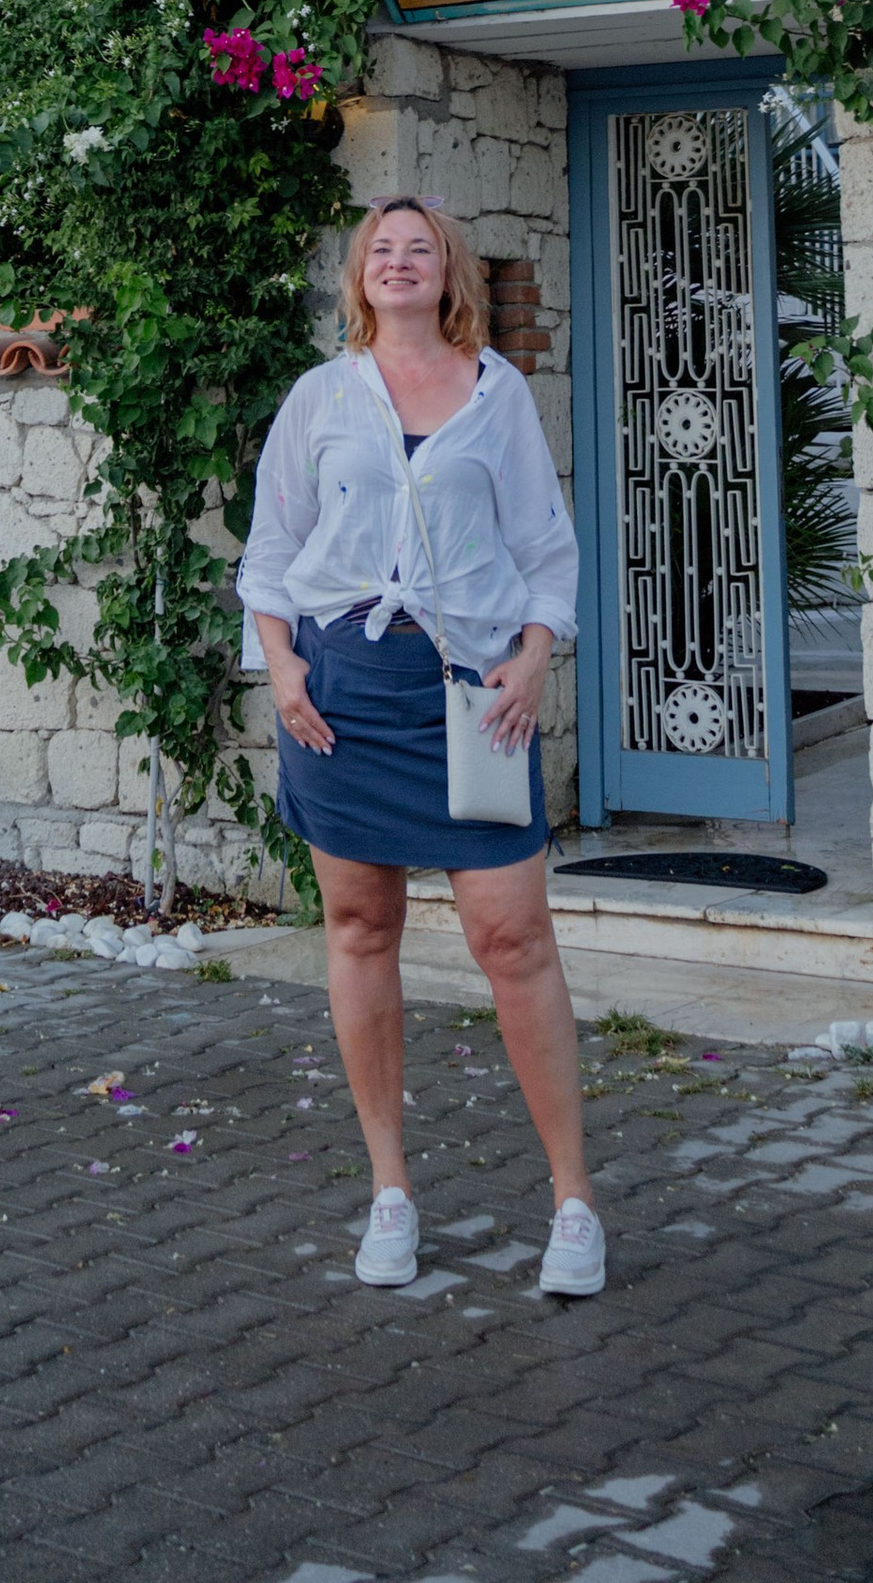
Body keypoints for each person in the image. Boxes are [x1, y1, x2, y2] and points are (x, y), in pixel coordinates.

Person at [237, 193, 603, 1297]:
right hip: (339, 695)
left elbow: (546, 551)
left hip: (471, 696)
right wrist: (285, 666)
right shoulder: (319, 399)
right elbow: (271, 552)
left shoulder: (498, 401)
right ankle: (390, 1193)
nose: (399, 263)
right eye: (380, 250)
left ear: (449, 277)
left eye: (420, 249)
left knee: (513, 941)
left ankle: (574, 1202)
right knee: (358, 927)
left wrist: (535, 659)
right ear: (360, 279)